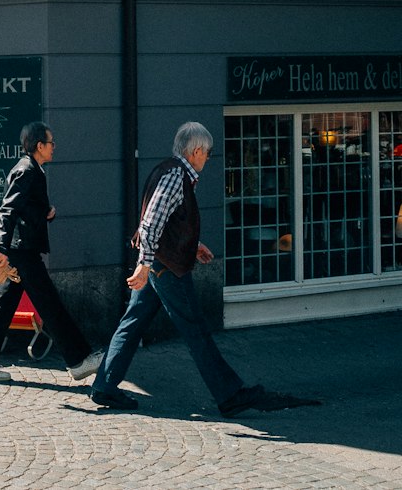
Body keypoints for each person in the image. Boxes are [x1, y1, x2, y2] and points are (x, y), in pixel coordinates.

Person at [91, 121, 315, 415]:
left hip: (160, 263)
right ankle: (229, 394)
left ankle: (104, 386)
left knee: (132, 323)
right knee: (195, 328)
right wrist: (145, 266)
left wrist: (192, 246)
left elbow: (168, 222)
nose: (208, 159)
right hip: (165, 268)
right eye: (207, 153)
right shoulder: (175, 175)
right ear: (196, 150)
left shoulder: (170, 171)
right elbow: (150, 225)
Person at [0, 120, 104, 385]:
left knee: (2, 305)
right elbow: (7, 210)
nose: (54, 147)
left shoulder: (32, 169)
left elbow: (24, 209)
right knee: (50, 303)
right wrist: (2, 248)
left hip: (20, 248)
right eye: (51, 142)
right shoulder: (27, 170)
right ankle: (79, 361)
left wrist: (45, 213)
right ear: (39, 145)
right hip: (22, 251)